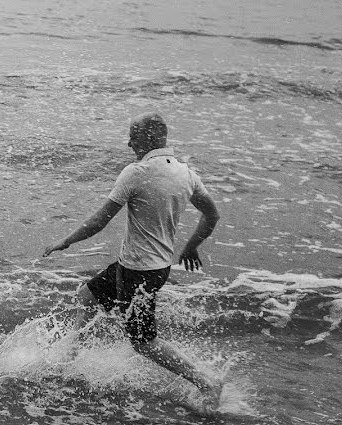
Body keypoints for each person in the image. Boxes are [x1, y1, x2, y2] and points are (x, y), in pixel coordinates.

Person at [43, 113, 222, 408]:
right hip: (152, 267)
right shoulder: (186, 173)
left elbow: (100, 221)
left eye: (133, 136)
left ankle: (206, 383)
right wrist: (191, 247)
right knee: (86, 296)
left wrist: (66, 241)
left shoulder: (136, 172)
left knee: (143, 342)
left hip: (137, 271)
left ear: (151, 138)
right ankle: (68, 359)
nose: (128, 143)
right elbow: (212, 215)